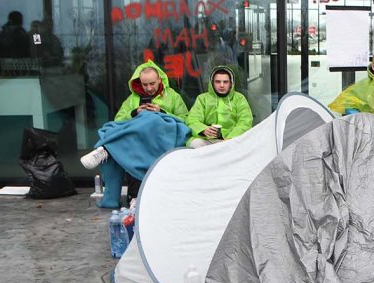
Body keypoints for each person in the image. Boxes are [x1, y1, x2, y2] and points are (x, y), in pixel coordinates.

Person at [80, 60, 190, 207]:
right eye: (145, 85)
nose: (149, 88)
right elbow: (119, 120)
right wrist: (135, 112)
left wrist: (162, 112)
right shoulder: (133, 99)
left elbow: (185, 119)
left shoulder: (173, 96)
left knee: (151, 118)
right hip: (137, 140)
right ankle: (131, 193)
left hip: (162, 138)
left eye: (152, 83)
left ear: (159, 80)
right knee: (111, 127)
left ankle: (106, 148)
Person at [186, 66, 253, 148]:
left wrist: (231, 138)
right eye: (218, 82)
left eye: (225, 82)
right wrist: (203, 130)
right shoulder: (202, 98)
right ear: (212, 83)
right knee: (195, 143)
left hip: (233, 139)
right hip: (209, 139)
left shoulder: (239, 98)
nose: (222, 85)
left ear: (231, 83)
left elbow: (245, 122)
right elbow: (192, 120)